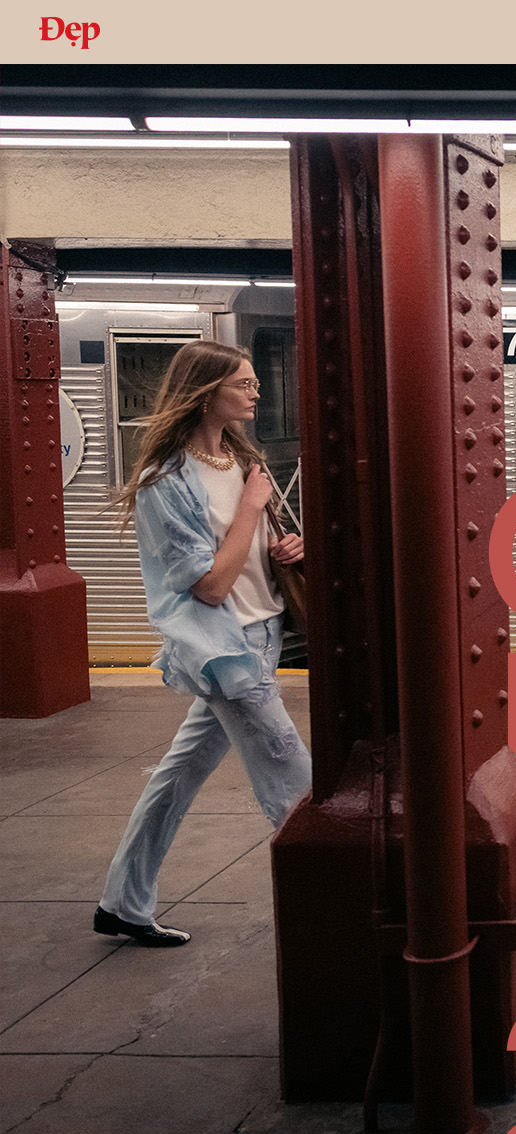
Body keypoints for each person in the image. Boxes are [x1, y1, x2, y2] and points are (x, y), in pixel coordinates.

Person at [94, 341, 311, 947]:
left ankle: (122, 903)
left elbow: (246, 558)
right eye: (243, 383)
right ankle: (339, 914)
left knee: (179, 772)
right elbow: (211, 586)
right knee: (294, 781)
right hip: (225, 648)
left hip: (265, 631)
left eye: (254, 382)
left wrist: (283, 546)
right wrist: (250, 511)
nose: (256, 391)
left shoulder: (242, 461)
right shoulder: (166, 481)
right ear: (205, 391)